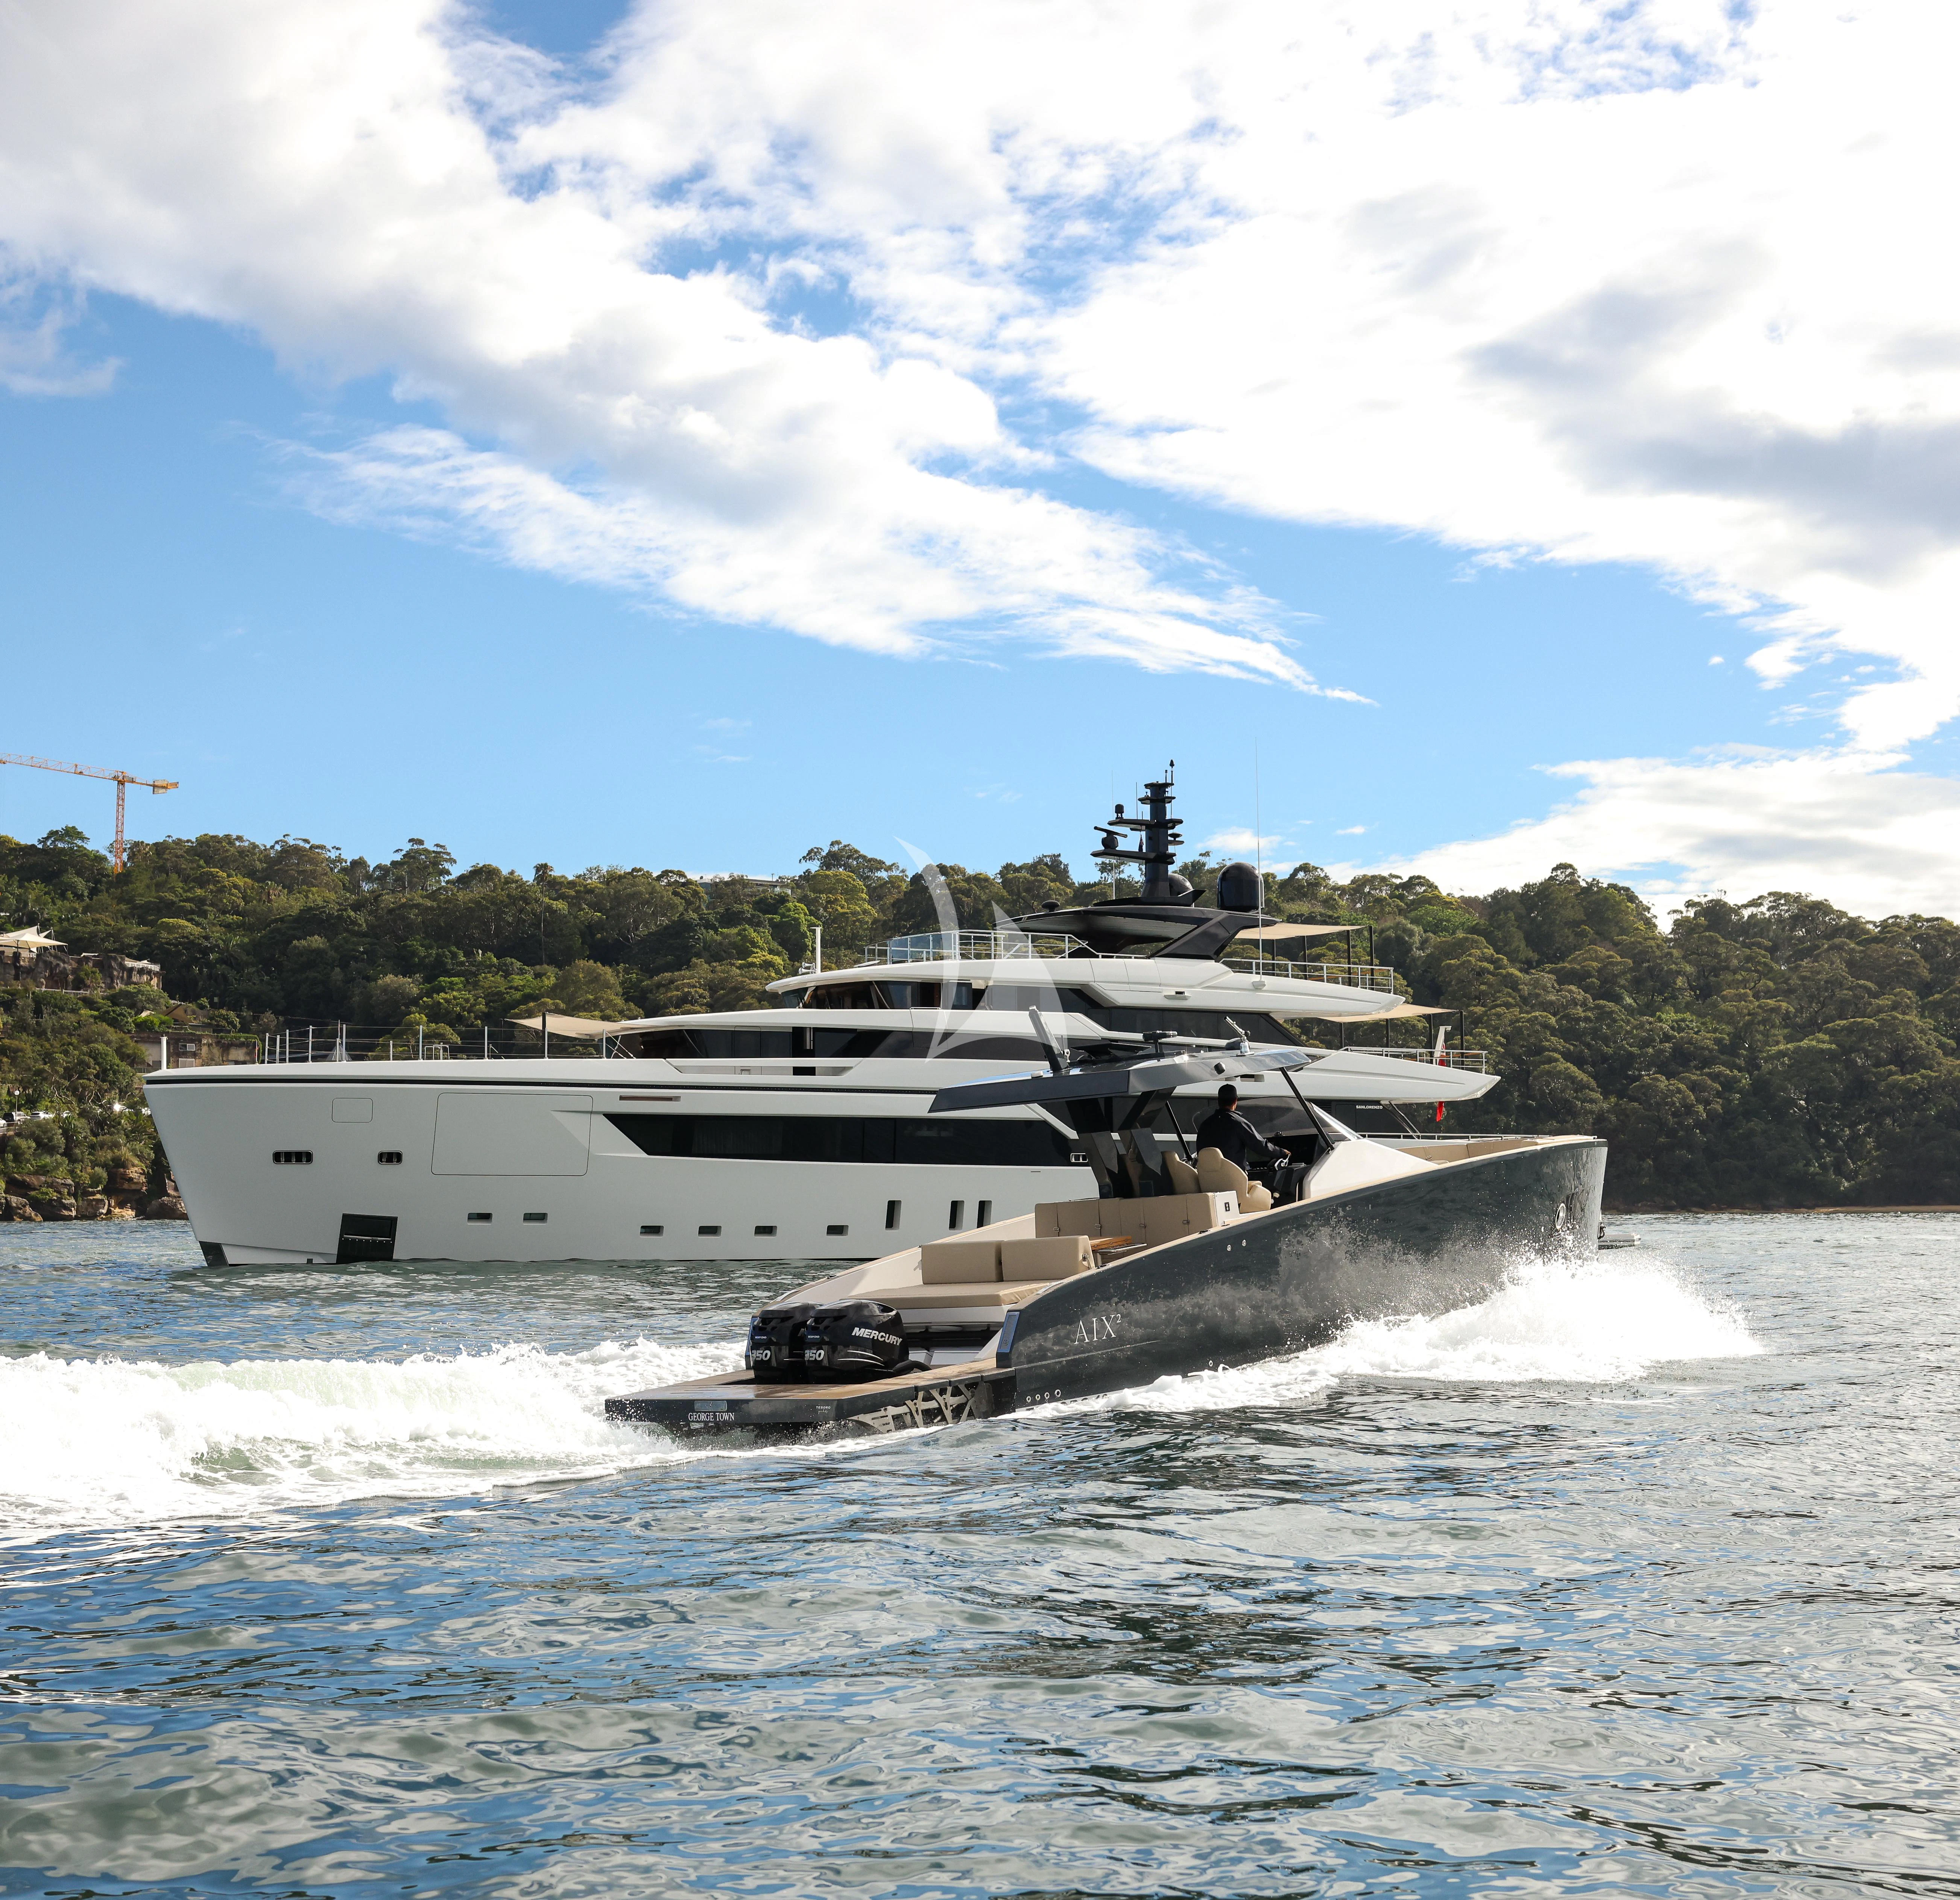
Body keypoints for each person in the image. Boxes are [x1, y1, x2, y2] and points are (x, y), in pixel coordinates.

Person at [1193, 1083, 1289, 1180]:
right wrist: (1283, 1152)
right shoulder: (1239, 1123)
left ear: (1218, 1101)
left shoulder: (1205, 1125)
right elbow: (1260, 1146)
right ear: (1236, 1101)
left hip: (1209, 1181)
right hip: (1233, 1180)